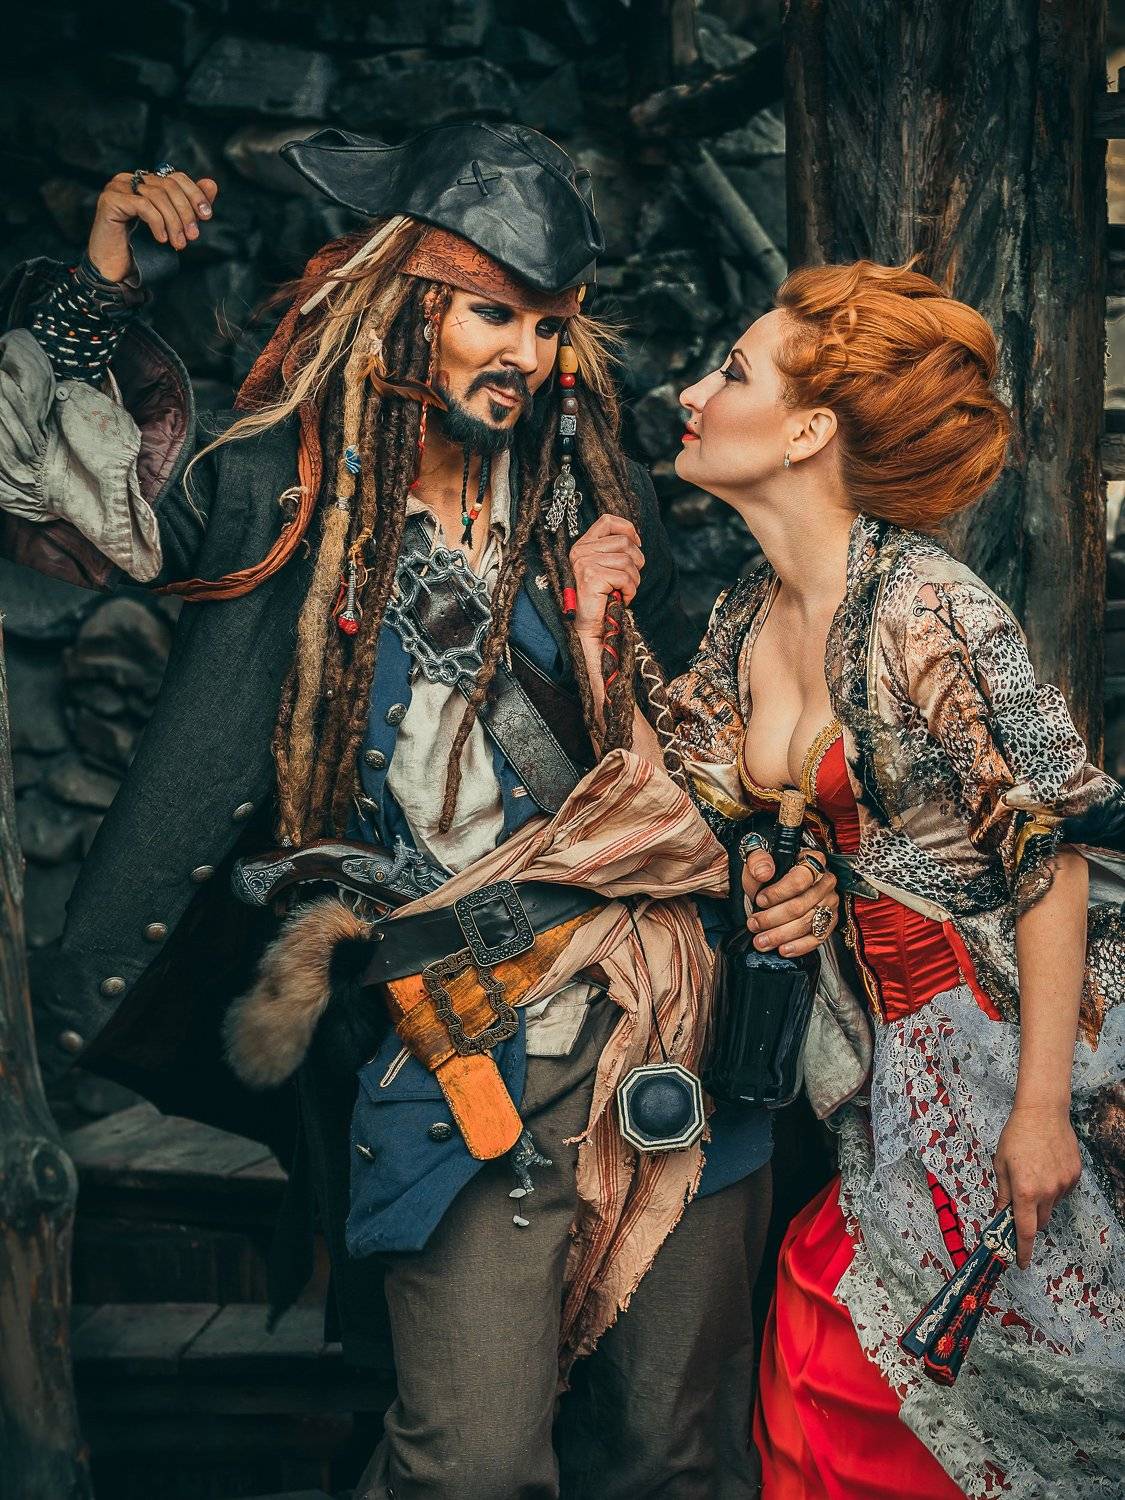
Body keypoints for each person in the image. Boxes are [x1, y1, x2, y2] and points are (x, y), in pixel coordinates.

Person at [0, 123, 841, 1498]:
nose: (526, 354)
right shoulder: (276, 492)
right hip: (452, 1043)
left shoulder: (598, 490)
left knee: (667, 1456)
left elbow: (701, 758)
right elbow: (43, 477)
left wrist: (763, 859)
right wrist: (101, 289)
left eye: (550, 326)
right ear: (405, 303)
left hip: (662, 1015)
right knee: (469, 1464)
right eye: (492, 313)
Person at [666, 258, 1125, 1499]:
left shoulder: (933, 611)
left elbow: (1050, 855)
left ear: (806, 431)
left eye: (732, 372)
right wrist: (775, 870)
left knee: (985, 1387)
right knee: (827, 1363)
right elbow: (701, 795)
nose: (693, 394)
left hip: (1008, 1048)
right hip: (876, 1074)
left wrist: (1041, 1116)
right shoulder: (746, 610)